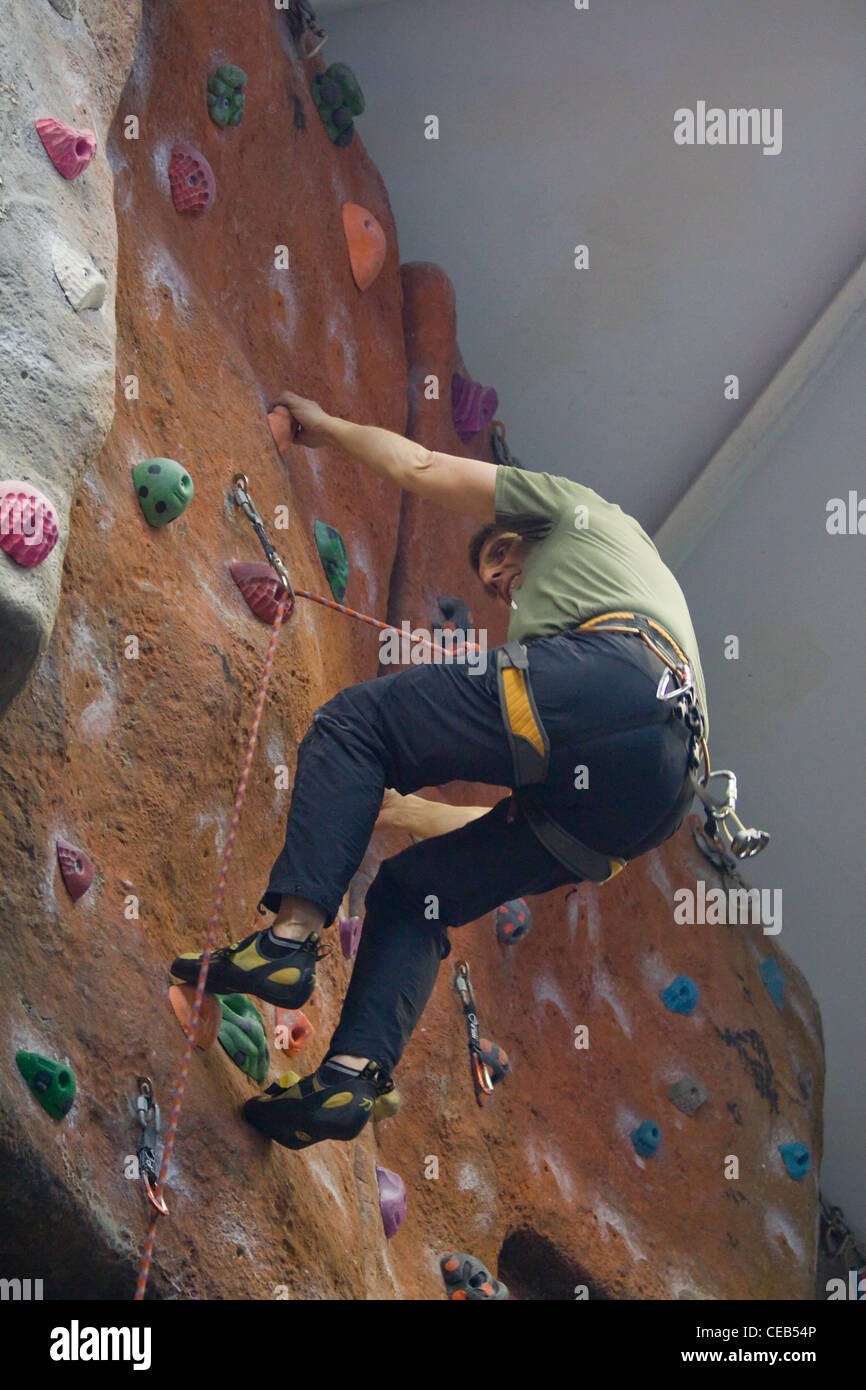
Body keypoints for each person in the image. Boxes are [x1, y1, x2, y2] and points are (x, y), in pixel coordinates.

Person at [171, 389, 708, 1149]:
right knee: (417, 896)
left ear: (530, 532)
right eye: (492, 585)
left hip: (612, 680)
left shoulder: (581, 511)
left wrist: (326, 428)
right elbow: (496, 832)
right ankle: (349, 1081)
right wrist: (387, 812)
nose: (500, 584)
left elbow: (421, 466)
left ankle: (290, 939)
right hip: (655, 799)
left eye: (503, 561)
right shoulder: (629, 595)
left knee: (355, 725)